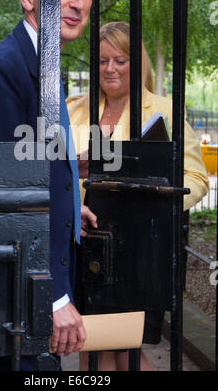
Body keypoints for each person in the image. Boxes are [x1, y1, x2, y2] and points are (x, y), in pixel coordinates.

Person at [0, 0, 98, 371]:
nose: (77, 2)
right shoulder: (7, 68)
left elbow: (36, 167)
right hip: (21, 300)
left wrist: (72, 207)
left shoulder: (44, 61)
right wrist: (53, 296)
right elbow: (2, 198)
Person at [67, 21, 209, 371]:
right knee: (92, 345)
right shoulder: (72, 109)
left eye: (120, 60)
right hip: (81, 244)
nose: (110, 69)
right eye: (102, 61)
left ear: (138, 63)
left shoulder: (164, 111)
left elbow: (196, 179)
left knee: (122, 350)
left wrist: (152, 204)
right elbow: (52, 170)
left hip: (138, 247)